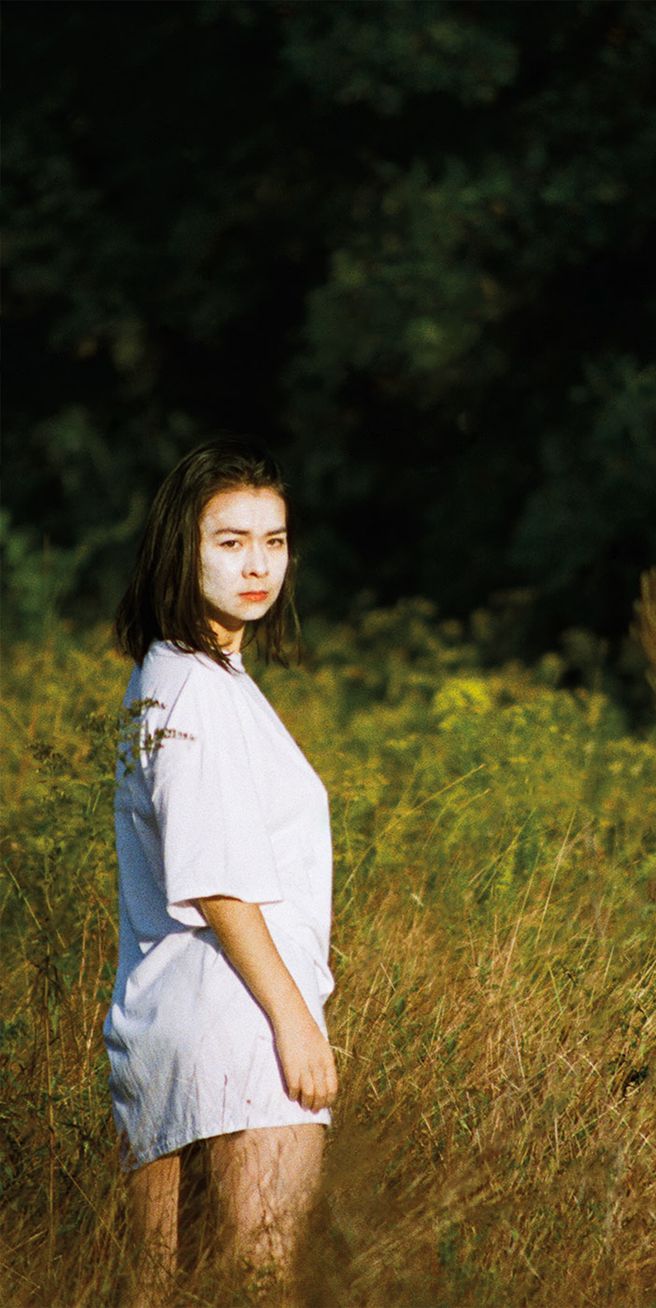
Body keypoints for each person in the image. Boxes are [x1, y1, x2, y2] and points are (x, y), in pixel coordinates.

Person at [104, 440, 338, 1305]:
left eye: (274, 541)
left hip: (184, 1020)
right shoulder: (192, 685)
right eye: (230, 540)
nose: (259, 564)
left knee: (167, 1291)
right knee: (259, 1286)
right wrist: (296, 1024)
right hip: (241, 1030)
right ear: (182, 548)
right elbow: (216, 880)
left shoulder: (192, 675)